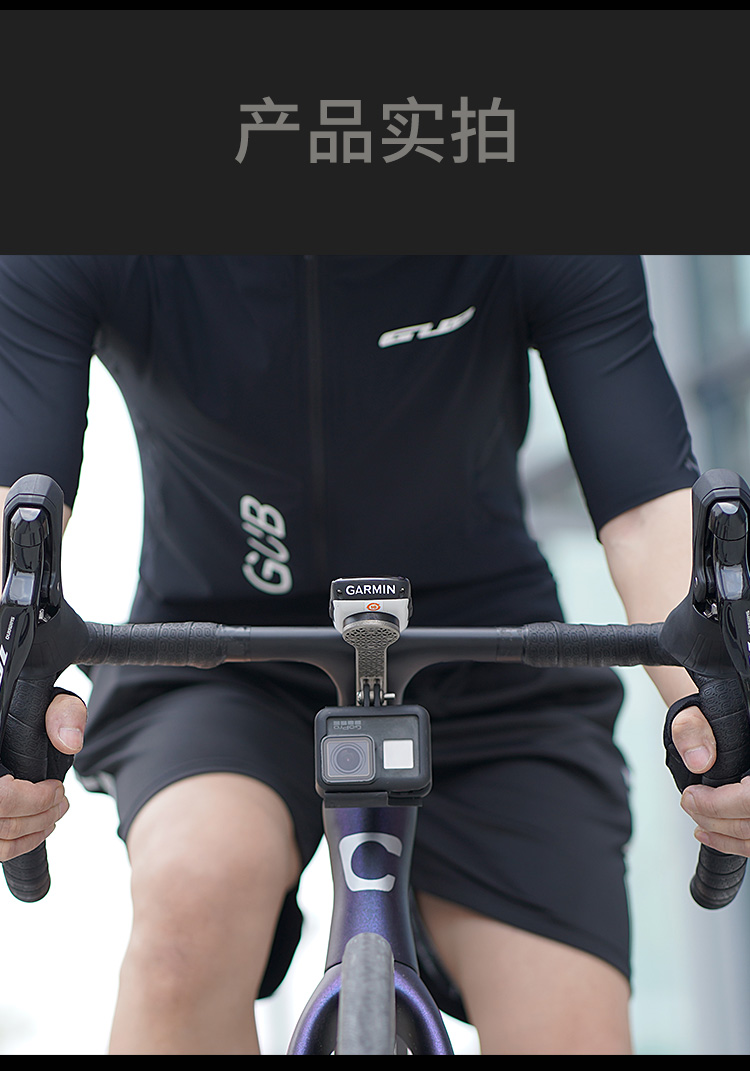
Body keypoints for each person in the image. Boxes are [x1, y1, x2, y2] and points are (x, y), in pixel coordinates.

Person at [0, 255, 738, 1056]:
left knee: (568, 1032)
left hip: (488, 657)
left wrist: (721, 703)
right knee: (190, 911)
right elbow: (16, 515)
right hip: (218, 654)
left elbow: (648, 511)